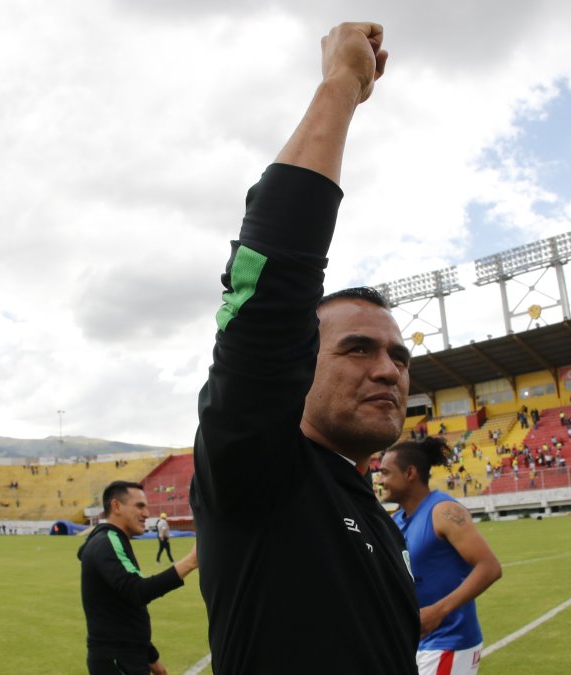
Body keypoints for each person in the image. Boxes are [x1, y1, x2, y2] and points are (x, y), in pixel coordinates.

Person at [188, 23, 420, 673]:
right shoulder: (259, 473)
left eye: (398, 357)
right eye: (357, 349)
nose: (387, 370)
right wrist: (341, 85)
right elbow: (270, 277)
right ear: (296, 366)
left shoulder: (367, 507)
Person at [380, 438, 502, 675]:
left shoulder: (444, 511)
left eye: (385, 473)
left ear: (410, 473)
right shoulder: (397, 521)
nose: (381, 481)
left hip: (448, 642)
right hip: (416, 642)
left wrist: (438, 611)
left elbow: (490, 567)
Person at [79, 481, 197, 675]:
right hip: (117, 662)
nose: (147, 514)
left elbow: (127, 607)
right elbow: (137, 591)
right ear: (116, 506)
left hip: (128, 657)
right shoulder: (108, 541)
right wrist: (190, 562)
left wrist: (151, 657)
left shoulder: (114, 540)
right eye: (140, 506)